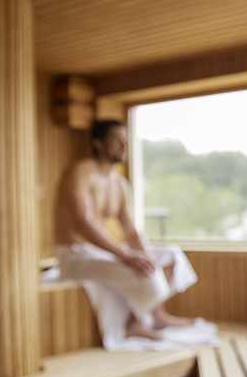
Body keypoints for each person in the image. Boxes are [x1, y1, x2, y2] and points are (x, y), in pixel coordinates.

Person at [54, 119, 205, 349]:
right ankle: (134, 324)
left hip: (102, 252)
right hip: (76, 254)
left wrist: (143, 253)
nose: (124, 146)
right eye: (117, 140)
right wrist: (125, 255)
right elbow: (83, 222)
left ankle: (154, 317)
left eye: (126, 140)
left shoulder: (119, 183)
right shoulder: (81, 171)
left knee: (170, 255)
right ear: (98, 144)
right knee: (137, 267)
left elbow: (130, 229)